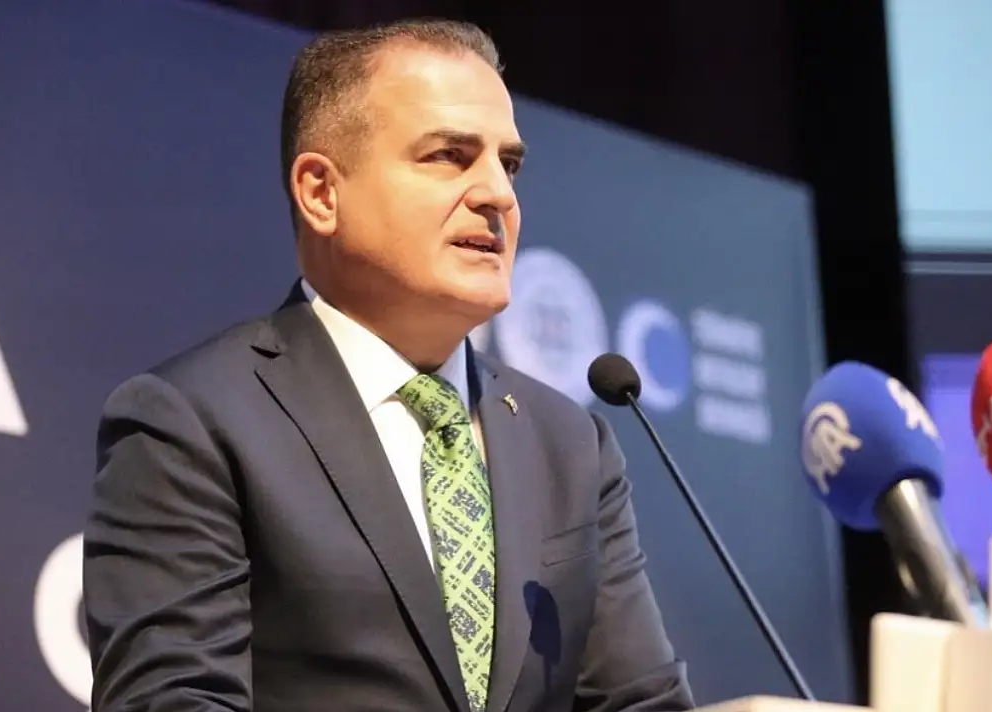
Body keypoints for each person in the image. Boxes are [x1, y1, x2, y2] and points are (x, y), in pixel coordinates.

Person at [83, 17, 694, 712]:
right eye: (449, 156)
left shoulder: (571, 443)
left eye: (509, 164)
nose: (498, 194)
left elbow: (642, 701)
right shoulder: (195, 421)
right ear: (322, 192)